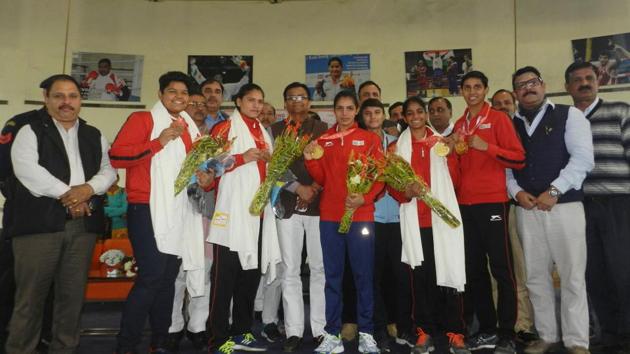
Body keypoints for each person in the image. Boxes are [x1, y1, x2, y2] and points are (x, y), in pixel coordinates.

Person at [5, 74, 116, 353]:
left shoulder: (93, 134)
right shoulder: (30, 129)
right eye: (59, 96)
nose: (66, 102)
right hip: (38, 227)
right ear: (46, 98)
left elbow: (109, 171)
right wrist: (71, 195)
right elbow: (27, 170)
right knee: (30, 299)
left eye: (73, 96)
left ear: (80, 100)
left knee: (72, 298)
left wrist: (88, 189)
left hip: (82, 227)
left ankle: (64, 349)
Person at [109, 71, 212, 353]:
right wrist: (159, 141)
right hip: (147, 208)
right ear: (160, 94)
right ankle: (126, 344)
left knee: (167, 280)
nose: (178, 97)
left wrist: (205, 178)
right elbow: (117, 155)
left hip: (180, 210)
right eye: (172, 92)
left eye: (183, 93)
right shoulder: (143, 120)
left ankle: (159, 341)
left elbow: (193, 169)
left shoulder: (190, 128)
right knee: (152, 277)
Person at [507, 66, 594, 354]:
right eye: (521, 85)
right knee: (534, 275)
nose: (527, 88)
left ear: (543, 85)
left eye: (532, 82)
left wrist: (554, 191)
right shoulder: (510, 123)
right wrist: (516, 192)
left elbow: (582, 159)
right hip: (527, 209)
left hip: (565, 207)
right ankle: (547, 335)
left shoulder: (570, 115)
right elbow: (505, 168)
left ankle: (577, 341)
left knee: (571, 275)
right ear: (515, 92)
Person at [448, 71, 525, 354]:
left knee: (502, 269)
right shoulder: (459, 124)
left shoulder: (498, 119)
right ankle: (488, 330)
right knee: (475, 271)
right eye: (467, 87)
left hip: (493, 203)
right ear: (462, 92)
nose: (472, 92)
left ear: (485, 90)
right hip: (466, 206)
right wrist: (450, 152)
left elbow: (518, 158)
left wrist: (487, 146)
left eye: (477, 87)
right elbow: (458, 171)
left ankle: (507, 333)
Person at [304, 90, 383, 354]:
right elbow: (321, 177)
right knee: (333, 277)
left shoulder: (369, 139)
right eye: (340, 108)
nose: (345, 113)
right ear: (334, 111)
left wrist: (366, 198)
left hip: (361, 216)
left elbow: (380, 176)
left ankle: (367, 333)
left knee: (363, 276)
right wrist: (309, 157)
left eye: (350, 108)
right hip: (330, 217)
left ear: (356, 110)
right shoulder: (324, 139)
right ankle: (332, 333)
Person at [388, 96, 468, 354]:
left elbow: (455, 180)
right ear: (404, 117)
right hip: (415, 221)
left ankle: (455, 331)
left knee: (449, 276)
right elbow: (392, 187)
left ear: (425, 114)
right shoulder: (395, 149)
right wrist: (406, 191)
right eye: (409, 113)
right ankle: (423, 331)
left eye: (419, 111)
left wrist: (453, 154)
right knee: (419, 280)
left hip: (443, 221)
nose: (415, 116)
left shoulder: (441, 144)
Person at [206, 83, 281, 354]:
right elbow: (207, 167)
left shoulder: (263, 131)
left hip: (258, 215)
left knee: (249, 277)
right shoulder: (224, 128)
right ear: (238, 102)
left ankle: (242, 331)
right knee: (224, 279)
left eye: (260, 101)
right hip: (232, 214)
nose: (257, 105)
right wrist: (241, 158)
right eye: (251, 100)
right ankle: (217, 338)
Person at [565, 61, 630, 354]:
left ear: (598, 81)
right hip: (581, 207)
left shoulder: (620, 111)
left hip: (619, 203)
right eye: (577, 80)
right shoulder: (564, 121)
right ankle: (610, 334)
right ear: (568, 87)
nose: (584, 83)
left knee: (623, 271)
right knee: (593, 273)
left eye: (589, 78)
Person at [269, 82, 328, 352]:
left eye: (302, 97)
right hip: (287, 206)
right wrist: (297, 188)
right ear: (284, 103)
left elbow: (331, 165)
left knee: (319, 269)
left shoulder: (322, 130)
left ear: (310, 103)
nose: (297, 101)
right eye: (291, 97)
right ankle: (293, 330)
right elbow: (271, 167)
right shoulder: (275, 131)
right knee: (290, 270)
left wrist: (314, 187)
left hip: (319, 206)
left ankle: (320, 329)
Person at [357, 98, 411, 353]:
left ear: (383, 115)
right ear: (362, 116)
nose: (373, 117)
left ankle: (403, 326)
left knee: (402, 276)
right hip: (370, 219)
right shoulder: (357, 145)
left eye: (377, 112)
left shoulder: (396, 145)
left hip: (400, 219)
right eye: (367, 113)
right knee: (372, 277)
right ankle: (377, 330)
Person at [490, 88, 538, 345]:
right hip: (496, 207)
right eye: (496, 104)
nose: (502, 107)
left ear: (515, 104)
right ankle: (503, 322)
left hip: (520, 205)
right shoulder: (488, 130)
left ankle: (523, 323)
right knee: (498, 270)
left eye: (506, 103)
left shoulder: (522, 129)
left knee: (518, 269)